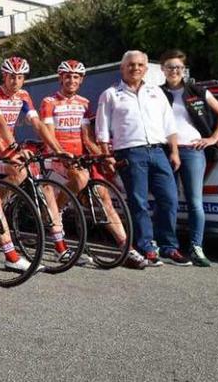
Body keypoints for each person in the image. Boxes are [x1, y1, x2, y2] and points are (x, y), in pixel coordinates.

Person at [39, 60, 146, 269]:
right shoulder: (49, 101)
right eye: (67, 76)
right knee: (78, 179)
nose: (72, 80)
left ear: (81, 80)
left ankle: (127, 249)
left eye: (76, 77)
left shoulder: (84, 103)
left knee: (103, 196)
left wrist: (104, 157)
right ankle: (59, 239)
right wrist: (60, 152)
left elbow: (88, 137)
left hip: (79, 158)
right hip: (56, 156)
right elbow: (47, 133)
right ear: (61, 78)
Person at [96, 50, 189, 266]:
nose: (135, 68)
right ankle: (146, 246)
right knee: (138, 202)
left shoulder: (156, 92)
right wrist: (106, 156)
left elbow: (169, 125)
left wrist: (174, 151)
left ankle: (169, 247)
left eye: (139, 65)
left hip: (158, 151)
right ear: (122, 68)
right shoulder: (110, 94)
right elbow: (101, 130)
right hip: (130, 152)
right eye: (130, 65)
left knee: (169, 199)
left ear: (146, 69)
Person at [0, 56, 65, 271]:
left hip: (9, 150)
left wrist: (57, 149)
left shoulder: (24, 95)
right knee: (19, 169)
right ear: (4, 76)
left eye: (19, 77)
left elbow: (37, 123)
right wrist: (14, 148)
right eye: (11, 77)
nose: (15, 81)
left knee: (27, 172)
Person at [159, 49, 218, 267]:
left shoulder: (197, 91)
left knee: (195, 202)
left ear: (184, 70)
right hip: (165, 149)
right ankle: (168, 247)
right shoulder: (156, 93)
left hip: (192, 150)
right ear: (163, 69)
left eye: (178, 67)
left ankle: (196, 247)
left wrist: (212, 138)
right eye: (170, 67)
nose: (174, 71)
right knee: (167, 201)